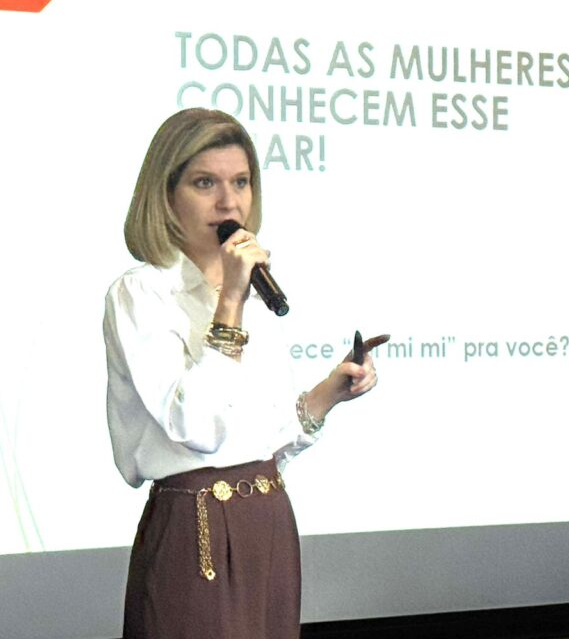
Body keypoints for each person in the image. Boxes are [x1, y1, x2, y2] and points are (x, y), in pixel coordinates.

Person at [103, 108, 387, 639]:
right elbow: (197, 428)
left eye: (240, 182)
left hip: (268, 522)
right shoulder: (141, 294)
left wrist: (329, 393)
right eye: (204, 183)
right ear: (166, 195)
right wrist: (230, 301)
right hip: (197, 529)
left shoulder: (252, 293)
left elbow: (261, 439)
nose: (228, 202)